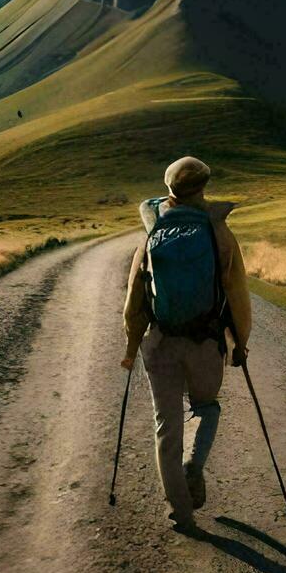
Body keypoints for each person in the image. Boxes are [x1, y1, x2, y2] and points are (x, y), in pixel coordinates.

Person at [121, 156, 251, 533]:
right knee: (206, 407)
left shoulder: (151, 235)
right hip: (204, 342)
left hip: (160, 343)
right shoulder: (218, 233)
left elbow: (134, 301)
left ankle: (181, 514)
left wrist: (131, 348)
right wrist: (240, 342)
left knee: (166, 428)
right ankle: (194, 465)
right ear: (203, 188)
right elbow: (237, 294)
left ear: (168, 189)